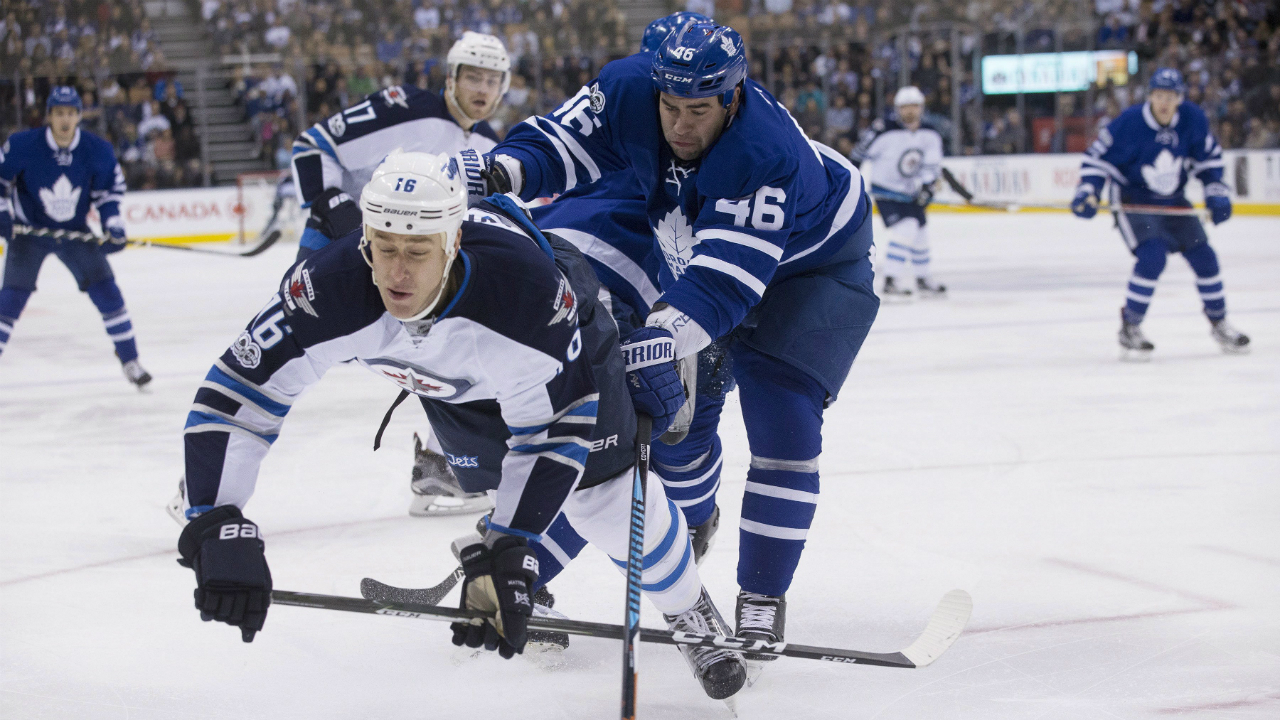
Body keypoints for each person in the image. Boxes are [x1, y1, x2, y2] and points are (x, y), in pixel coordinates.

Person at [173, 151, 746, 699]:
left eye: (417, 252)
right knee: (500, 485)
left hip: (548, 356)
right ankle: (525, 579)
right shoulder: (328, 288)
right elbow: (242, 390)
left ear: (452, 243)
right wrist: (214, 517)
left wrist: (511, 544)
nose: (395, 273)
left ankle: (688, 606)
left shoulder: (526, 295)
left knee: (605, 500)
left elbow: (555, 427)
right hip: (447, 381)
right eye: (384, 247)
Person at [470, 22, 879, 661]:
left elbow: (722, 287)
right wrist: (500, 169)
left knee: (783, 419)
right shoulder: (632, 86)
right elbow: (562, 142)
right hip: (701, 249)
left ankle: (762, 599)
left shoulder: (764, 152)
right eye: (671, 108)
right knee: (650, 429)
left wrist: (659, 335)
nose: (681, 127)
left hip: (810, 267)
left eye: (699, 111)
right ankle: (534, 565)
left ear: (734, 98)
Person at [289, 31, 510, 517]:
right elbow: (312, 146)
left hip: (411, 279)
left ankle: (439, 466)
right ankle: (203, 488)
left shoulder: (490, 147)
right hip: (339, 259)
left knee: (462, 353)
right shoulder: (407, 108)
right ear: (451, 77)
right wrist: (340, 216)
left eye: (492, 79)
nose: (482, 88)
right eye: (472, 75)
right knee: (278, 360)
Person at [1072, 68, 1250, 359]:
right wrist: (1087, 191)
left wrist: (1216, 190)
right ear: (1150, 96)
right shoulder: (1129, 123)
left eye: (1169, 96)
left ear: (1179, 98)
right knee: (1152, 256)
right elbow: (1096, 160)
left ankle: (1220, 323)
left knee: (1205, 257)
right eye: (1158, 95)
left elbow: (1208, 160)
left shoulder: (1192, 119)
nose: (1163, 102)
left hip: (1173, 200)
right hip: (1133, 199)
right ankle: (1130, 326)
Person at [0, 86, 151, 387]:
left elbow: (108, 193)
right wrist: (4, 216)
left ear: (79, 116)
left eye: (70, 113)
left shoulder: (98, 150)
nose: (65, 120)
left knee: (108, 293)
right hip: (29, 232)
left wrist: (113, 224)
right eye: (59, 113)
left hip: (74, 232)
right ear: (49, 117)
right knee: (10, 301)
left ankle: (130, 360)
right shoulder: (21, 145)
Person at [851, 86, 946, 299]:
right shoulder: (882, 129)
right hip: (887, 192)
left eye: (914, 106)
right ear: (897, 109)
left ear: (921, 108)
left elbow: (932, 165)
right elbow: (858, 155)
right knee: (907, 227)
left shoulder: (930, 133)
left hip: (911, 193)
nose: (909, 111)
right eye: (905, 107)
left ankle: (923, 278)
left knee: (920, 232)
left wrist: (928, 187)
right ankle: (891, 279)